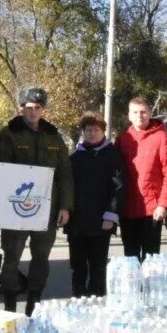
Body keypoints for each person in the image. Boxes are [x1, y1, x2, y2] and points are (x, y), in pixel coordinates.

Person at [0, 87, 73, 317]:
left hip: (47, 210)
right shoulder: (9, 134)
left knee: (41, 258)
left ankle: (33, 306)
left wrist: (65, 206)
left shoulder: (53, 136)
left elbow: (65, 174)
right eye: (28, 107)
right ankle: (10, 307)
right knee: (11, 257)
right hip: (16, 208)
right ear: (21, 108)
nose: (33, 111)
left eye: (38, 108)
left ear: (43, 110)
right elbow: (1, 170)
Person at [64, 112, 125, 297]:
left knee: (97, 264)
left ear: (103, 132)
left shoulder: (112, 155)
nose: (92, 133)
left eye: (96, 130)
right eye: (88, 130)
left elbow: (118, 187)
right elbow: (66, 185)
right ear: (82, 131)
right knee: (77, 264)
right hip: (76, 221)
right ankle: (78, 297)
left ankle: (97, 298)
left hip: (101, 221)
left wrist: (111, 214)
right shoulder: (74, 156)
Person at [115, 96, 167, 259]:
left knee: (151, 259)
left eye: (143, 112)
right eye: (135, 112)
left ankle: (150, 286)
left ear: (150, 113)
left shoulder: (162, 138)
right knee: (130, 258)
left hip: (152, 209)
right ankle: (133, 286)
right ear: (129, 115)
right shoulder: (123, 139)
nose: (139, 115)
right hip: (127, 209)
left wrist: (164, 205)